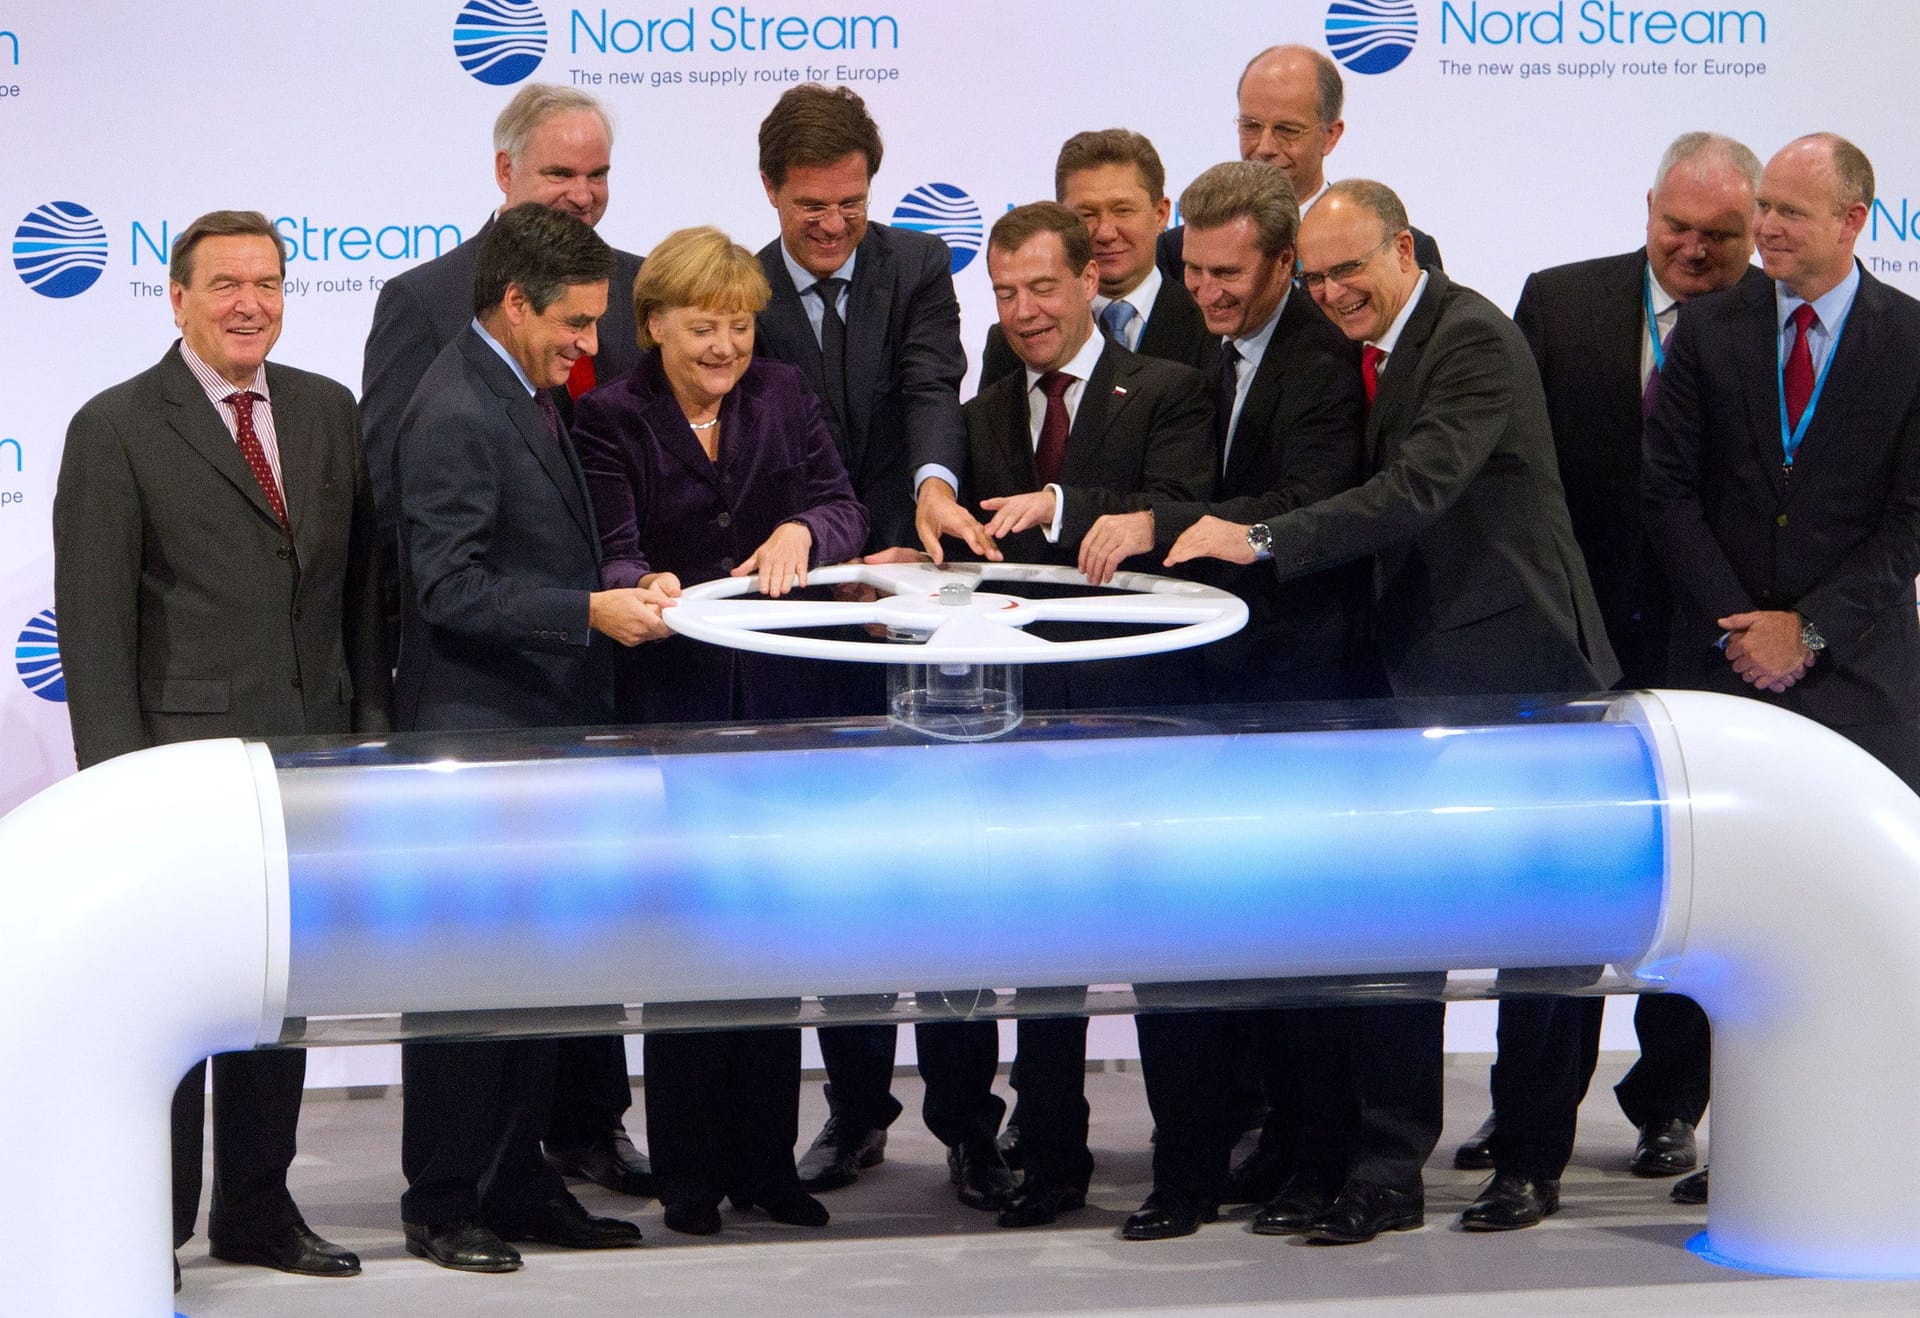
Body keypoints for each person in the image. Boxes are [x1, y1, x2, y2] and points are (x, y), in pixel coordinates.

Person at [1170, 178, 1617, 1243]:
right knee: (1402, 928)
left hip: (1524, 676)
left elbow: (1419, 488)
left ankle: (1530, 1155)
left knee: (1547, 935)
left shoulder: (1473, 338)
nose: (1332, 293)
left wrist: (1260, 539)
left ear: (1404, 249)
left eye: (1349, 270)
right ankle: (1385, 1164)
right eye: (1315, 277)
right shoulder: (1358, 351)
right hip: (1407, 681)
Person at [54, 209, 390, 1292]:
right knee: (176, 1003)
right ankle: (150, 1225)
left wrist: (366, 744)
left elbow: (358, 602)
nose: (252, 302)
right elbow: (95, 626)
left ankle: (256, 1207)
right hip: (178, 773)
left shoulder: (329, 411)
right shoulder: (115, 426)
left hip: (308, 760)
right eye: (227, 284)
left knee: (273, 999)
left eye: (270, 282)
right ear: (179, 297)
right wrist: (115, 787)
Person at [1450, 132, 1766, 1221]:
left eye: (1720, 237)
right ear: (1647, 210)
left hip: (1713, 655)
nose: (1693, 251)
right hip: (1568, 645)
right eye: (1675, 228)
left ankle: (1669, 1099)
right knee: (1552, 899)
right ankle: (1523, 1122)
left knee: (1705, 892)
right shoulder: (1560, 300)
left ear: (1755, 227)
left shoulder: (1778, 322)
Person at [360, 81, 652, 1200]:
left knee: (544, 976)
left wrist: (618, 579)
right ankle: (445, 1198)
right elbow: (444, 582)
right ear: (517, 303)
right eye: (577, 324)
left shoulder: (521, 383)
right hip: (480, 729)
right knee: (469, 983)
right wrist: (584, 610)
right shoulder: (452, 405)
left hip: (549, 721)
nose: (593, 345)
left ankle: (525, 1181)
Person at [1081, 160, 1368, 1241]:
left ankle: (1314, 1161)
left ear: (1284, 264)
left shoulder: (1328, 360)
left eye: (1228, 273)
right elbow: (1162, 472)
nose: (1205, 291)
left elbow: (1312, 502)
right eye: (1190, 269)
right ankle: (1189, 1170)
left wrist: (1176, 523)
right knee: (1182, 944)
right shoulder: (1185, 335)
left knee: (1296, 946)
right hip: (1190, 693)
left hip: (1296, 688)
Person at [573, 224, 868, 1235]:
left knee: (769, 941)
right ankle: (690, 1173)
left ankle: (765, 1165)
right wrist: (639, 581)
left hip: (783, 710)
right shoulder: (610, 417)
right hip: (674, 711)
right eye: (704, 327)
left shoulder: (783, 393)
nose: (724, 348)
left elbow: (841, 506)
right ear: (652, 324)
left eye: (738, 326)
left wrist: (802, 531)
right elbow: (611, 551)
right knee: (690, 944)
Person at [1644, 132, 1920, 1208]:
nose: (1764, 229)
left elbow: (1909, 522)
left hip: (1860, 679)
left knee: (1862, 916)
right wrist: (1742, 627)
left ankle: (1869, 1128)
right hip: (1722, 675)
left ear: (1855, 221)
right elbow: (1666, 493)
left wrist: (1806, 628)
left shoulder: (1912, 340)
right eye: (1764, 206)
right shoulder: (1707, 331)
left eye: (1791, 213)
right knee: (1722, 916)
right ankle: (1702, 1123)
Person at [749, 81, 996, 1195]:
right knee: (837, 884)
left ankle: (970, 1123)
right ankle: (853, 1112)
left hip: (916, 603)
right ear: (771, 192)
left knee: (947, 884)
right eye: (812, 205)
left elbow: (932, 391)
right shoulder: (736, 288)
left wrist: (933, 493)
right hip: (801, 627)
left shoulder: (916, 269)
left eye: (850, 200)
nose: (834, 223)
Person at [947, 201, 1212, 1228]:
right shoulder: (982, 412)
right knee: (1043, 962)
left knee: (1166, 964)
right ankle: (1051, 1162)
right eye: (1005, 293)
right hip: (1024, 732)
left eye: (1042, 287)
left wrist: (1060, 506)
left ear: (1090, 283)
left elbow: (1180, 506)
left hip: (1144, 728)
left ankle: (1186, 1172)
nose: (1023, 311)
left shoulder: (1170, 390)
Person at [1155, 45, 1442, 282]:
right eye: (1251, 126)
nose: (1264, 148)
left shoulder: (1397, 247)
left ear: (1330, 136)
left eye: (1287, 130)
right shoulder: (1178, 251)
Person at [979, 129, 1210, 387]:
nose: (1105, 233)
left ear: (1160, 214)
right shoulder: (1016, 339)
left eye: (1122, 210)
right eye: (1086, 215)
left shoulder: (1210, 326)